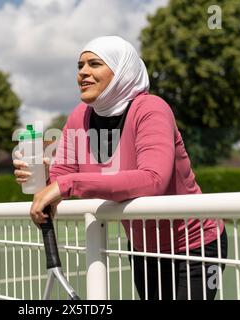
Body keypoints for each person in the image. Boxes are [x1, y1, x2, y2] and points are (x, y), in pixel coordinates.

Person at [13, 36, 228, 300]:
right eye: (80, 65)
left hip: (195, 246)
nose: (83, 72)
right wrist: (46, 178)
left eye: (94, 64)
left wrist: (65, 185)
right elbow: (64, 176)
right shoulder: (79, 116)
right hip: (142, 249)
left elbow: (153, 179)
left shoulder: (151, 108)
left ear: (121, 70)